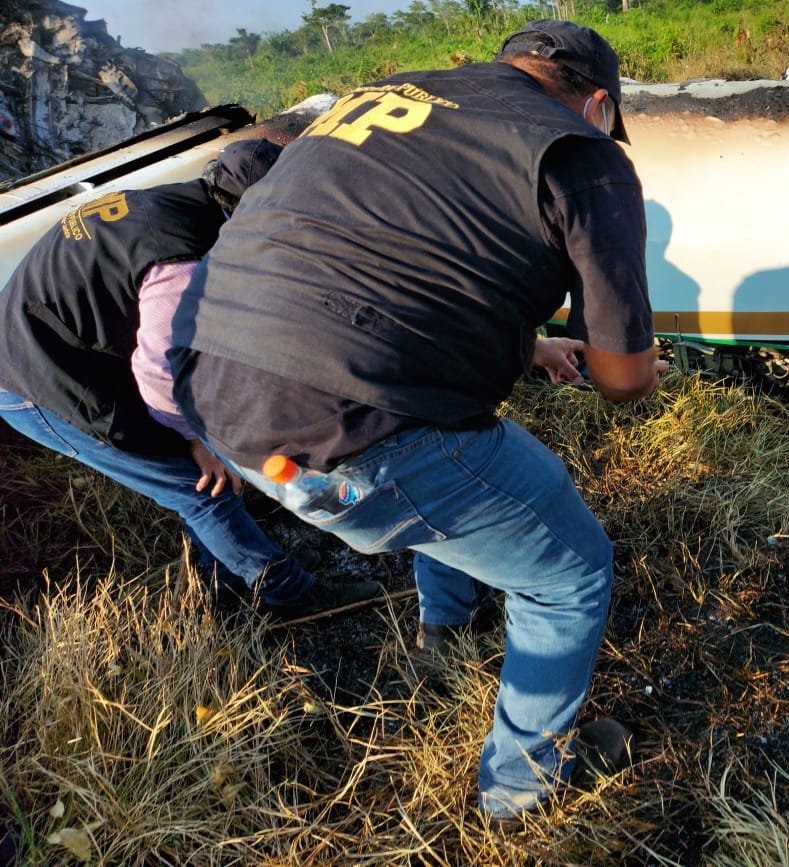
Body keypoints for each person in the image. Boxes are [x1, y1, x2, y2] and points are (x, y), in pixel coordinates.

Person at [168, 20, 668, 821]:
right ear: (600, 104)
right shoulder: (581, 152)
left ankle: (446, 630)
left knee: (461, 479)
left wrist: (526, 345)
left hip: (218, 402)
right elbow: (623, 380)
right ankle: (521, 791)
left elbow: (378, 264)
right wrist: (635, 357)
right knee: (569, 571)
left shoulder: (374, 100)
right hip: (352, 428)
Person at [0, 138, 385, 623]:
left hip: (61, 345)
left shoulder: (174, 201)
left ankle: (224, 575)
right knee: (200, 487)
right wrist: (195, 439)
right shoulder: (180, 258)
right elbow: (160, 373)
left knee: (204, 477)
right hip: (35, 381)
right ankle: (288, 594)